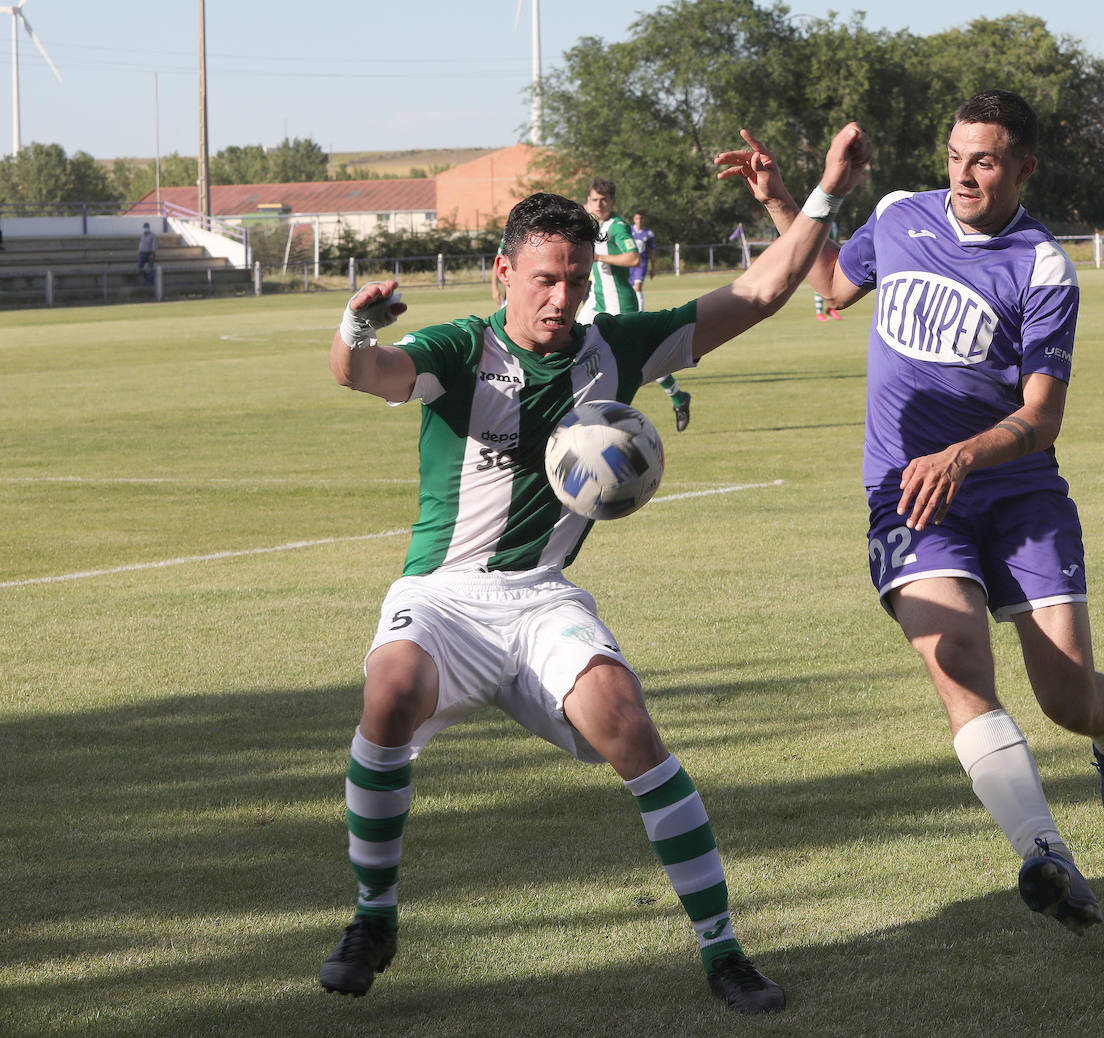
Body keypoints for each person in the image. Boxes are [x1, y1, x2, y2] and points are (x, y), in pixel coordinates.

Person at [317, 123, 873, 1013]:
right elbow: (364, 373)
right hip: (444, 597)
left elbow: (763, 291)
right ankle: (373, 917)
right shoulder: (462, 351)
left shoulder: (613, 346)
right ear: (504, 274)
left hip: (541, 597)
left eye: (576, 280)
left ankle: (722, 950)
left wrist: (823, 191)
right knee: (388, 691)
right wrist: (352, 324)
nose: (562, 297)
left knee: (626, 719)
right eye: (545, 279)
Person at [718, 90, 1104, 936]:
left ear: (1023, 165)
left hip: (1018, 493)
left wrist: (964, 454)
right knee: (957, 663)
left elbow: (1043, 416)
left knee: (1067, 699)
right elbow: (834, 284)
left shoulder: (1042, 266)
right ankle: (1045, 853)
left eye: (984, 160)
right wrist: (782, 197)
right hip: (908, 495)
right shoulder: (898, 214)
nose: (963, 175)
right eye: (955, 155)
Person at [577, 179, 692, 433]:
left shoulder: (617, 227)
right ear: (588, 201)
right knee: (572, 346)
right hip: (596, 301)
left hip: (620, 301)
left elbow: (632, 257)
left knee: (646, 357)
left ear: (613, 202)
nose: (599, 204)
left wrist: (600, 257)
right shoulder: (592, 225)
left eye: (604, 200)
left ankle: (678, 397)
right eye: (595, 199)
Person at [630, 209, 656, 310]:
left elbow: (652, 252)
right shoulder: (629, 230)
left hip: (641, 264)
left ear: (643, 219)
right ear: (634, 219)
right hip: (629, 264)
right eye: (637, 218)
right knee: (630, 288)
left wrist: (653, 268)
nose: (639, 220)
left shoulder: (648, 234)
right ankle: (631, 310)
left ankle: (640, 312)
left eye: (641, 218)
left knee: (637, 287)